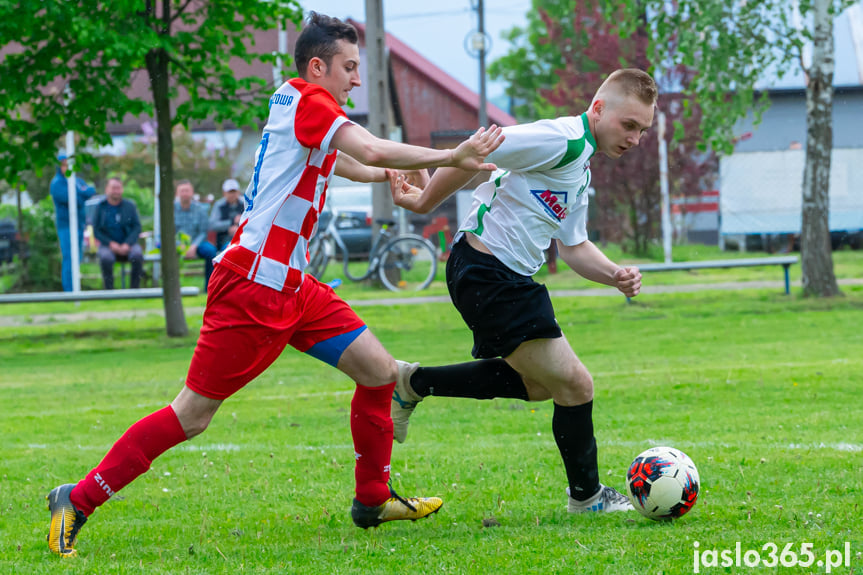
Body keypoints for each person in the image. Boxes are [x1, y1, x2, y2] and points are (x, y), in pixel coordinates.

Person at [46, 11, 504, 557]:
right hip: (252, 289)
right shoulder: (312, 102)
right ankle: (77, 498)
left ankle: (372, 499)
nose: (357, 78)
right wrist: (452, 155)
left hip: (292, 286)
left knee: (381, 373)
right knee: (191, 415)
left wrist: (384, 173)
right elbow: (373, 149)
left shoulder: (298, 102)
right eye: (349, 67)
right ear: (319, 66)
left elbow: (352, 163)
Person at [387, 68, 655, 516]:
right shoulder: (561, 140)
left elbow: (572, 246)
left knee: (540, 386)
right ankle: (586, 498)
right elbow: (475, 152)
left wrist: (614, 275)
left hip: (505, 278)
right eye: (629, 125)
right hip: (486, 270)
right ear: (599, 108)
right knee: (576, 384)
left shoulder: (579, 168)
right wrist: (423, 201)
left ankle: (410, 382)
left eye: (643, 130)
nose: (635, 138)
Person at [49, 152, 96, 291]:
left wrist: (80, 195)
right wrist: (81, 195)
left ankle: (76, 287)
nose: (66, 168)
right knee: (69, 257)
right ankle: (69, 290)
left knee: (78, 257)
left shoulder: (75, 180)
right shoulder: (57, 183)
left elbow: (90, 190)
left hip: (79, 224)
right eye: (63, 165)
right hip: (66, 226)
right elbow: (73, 199)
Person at [92, 178, 144, 289]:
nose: (116, 191)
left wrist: (127, 243)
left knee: (137, 255)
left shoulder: (130, 206)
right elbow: (96, 230)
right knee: (106, 258)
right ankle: (109, 291)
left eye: (118, 188)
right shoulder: (101, 207)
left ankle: (135, 291)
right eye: (113, 188)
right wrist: (110, 244)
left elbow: (137, 227)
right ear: (107, 189)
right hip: (108, 245)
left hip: (128, 244)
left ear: (122, 190)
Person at [174, 179, 217, 291]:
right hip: (177, 245)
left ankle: (209, 287)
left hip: (197, 244)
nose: (185, 194)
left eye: (187, 191)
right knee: (165, 252)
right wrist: (181, 245)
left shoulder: (200, 209)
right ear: (177, 193)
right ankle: (173, 288)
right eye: (182, 191)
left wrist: (193, 246)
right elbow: (170, 232)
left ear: (192, 193)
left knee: (211, 251)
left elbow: (203, 232)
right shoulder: (171, 209)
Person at [209, 178, 245, 250]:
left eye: (234, 192)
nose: (232, 194)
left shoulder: (245, 204)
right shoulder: (219, 205)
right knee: (230, 249)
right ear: (224, 193)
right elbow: (212, 225)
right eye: (229, 192)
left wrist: (240, 225)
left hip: (243, 239)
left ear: (238, 192)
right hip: (224, 240)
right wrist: (230, 223)